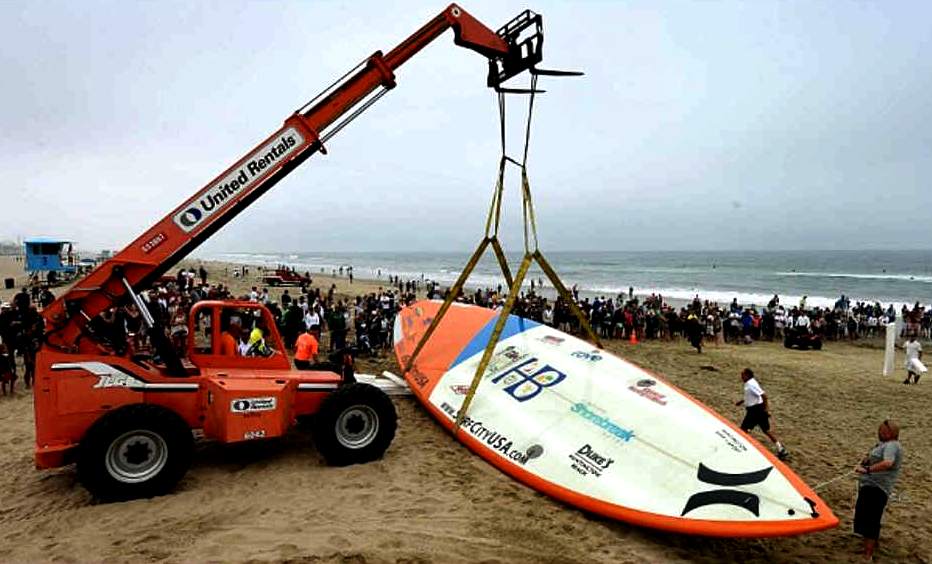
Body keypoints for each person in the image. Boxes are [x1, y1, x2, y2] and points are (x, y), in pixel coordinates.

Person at [853, 420, 903, 560]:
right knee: (863, 516)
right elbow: (877, 459)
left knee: (871, 519)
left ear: (891, 433)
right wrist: (867, 461)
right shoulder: (883, 445)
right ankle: (869, 546)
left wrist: (867, 469)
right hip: (869, 486)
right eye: (880, 430)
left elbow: (888, 463)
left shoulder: (892, 445)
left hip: (877, 488)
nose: (879, 432)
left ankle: (867, 554)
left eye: (883, 431)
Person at [735, 368, 788, 459]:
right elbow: (751, 395)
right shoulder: (750, 383)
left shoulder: (751, 384)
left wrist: (766, 409)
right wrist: (742, 401)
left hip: (755, 411)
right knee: (766, 430)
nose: (741, 377)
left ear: (747, 375)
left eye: (742, 375)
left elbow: (764, 396)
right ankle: (780, 448)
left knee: (743, 430)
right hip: (757, 409)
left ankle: (742, 449)